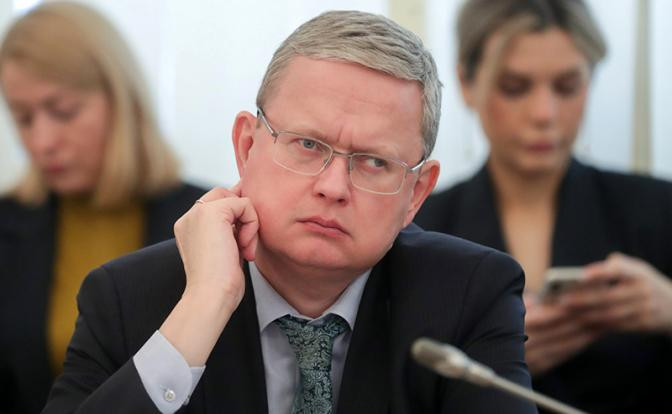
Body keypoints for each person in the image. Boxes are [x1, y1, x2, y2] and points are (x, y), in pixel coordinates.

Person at [41, 10, 537, 414]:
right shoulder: (127, 299)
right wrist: (204, 306)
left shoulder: (470, 295)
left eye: (373, 162)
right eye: (307, 144)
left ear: (416, 193)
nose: (333, 187)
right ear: (246, 146)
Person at [415, 0, 672, 413]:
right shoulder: (418, 229)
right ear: (466, 82)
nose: (544, 114)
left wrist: (668, 308)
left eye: (567, 87)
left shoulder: (659, 211)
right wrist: (487, 367)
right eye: (514, 88)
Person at [0, 3, 205, 413]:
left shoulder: (210, 220)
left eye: (63, 112)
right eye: (23, 119)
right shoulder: (7, 225)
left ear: (121, 100)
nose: (42, 142)